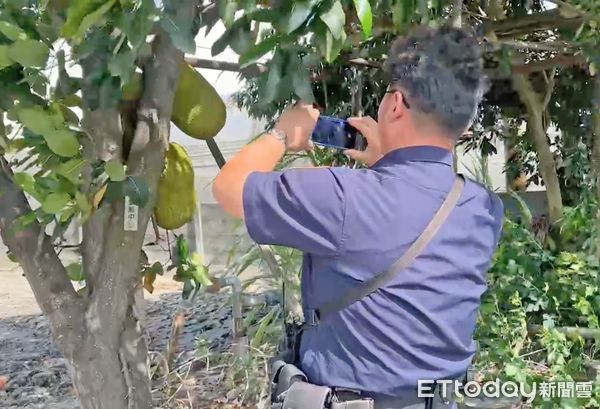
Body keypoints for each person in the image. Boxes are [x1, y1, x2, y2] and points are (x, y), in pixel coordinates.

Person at [213, 25, 504, 409]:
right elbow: (407, 224)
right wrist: (388, 164)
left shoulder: (343, 197)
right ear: (464, 123)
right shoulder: (482, 207)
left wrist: (284, 134)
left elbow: (229, 189)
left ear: (397, 105)